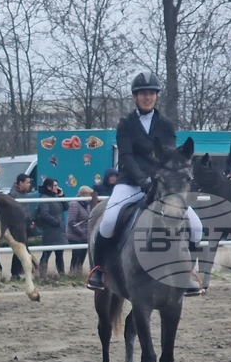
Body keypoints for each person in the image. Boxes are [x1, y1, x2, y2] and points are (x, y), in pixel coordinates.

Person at [86, 71, 204, 296]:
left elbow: (168, 155)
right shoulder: (126, 124)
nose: (147, 97)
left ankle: (188, 272)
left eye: (151, 93)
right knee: (108, 221)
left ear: (156, 96)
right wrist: (142, 180)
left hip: (161, 183)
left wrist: (159, 179)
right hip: (130, 182)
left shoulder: (166, 124)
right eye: (142, 94)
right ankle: (99, 270)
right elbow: (126, 156)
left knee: (196, 226)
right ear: (135, 97)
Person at [35, 177, 67, 279]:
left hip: (58, 231)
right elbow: (44, 214)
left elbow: (66, 207)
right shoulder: (44, 198)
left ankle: (62, 274)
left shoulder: (55, 196)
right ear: (49, 187)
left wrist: (62, 196)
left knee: (59, 254)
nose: (57, 187)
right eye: (55, 185)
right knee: (46, 254)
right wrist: (55, 222)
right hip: (50, 230)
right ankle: (42, 275)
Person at [8, 172, 35, 281]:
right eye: (27, 182)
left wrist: (30, 220)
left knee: (21, 249)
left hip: (25, 225)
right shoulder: (13, 195)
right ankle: (19, 272)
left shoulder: (24, 194)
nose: (29, 185)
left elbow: (25, 210)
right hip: (18, 226)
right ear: (20, 183)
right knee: (21, 249)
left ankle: (18, 272)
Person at [67, 185, 94, 276]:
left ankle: (78, 272)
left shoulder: (87, 205)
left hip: (84, 236)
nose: (90, 196)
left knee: (82, 256)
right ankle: (73, 272)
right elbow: (71, 222)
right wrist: (81, 232)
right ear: (83, 194)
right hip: (75, 236)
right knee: (76, 256)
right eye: (89, 194)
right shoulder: (74, 204)